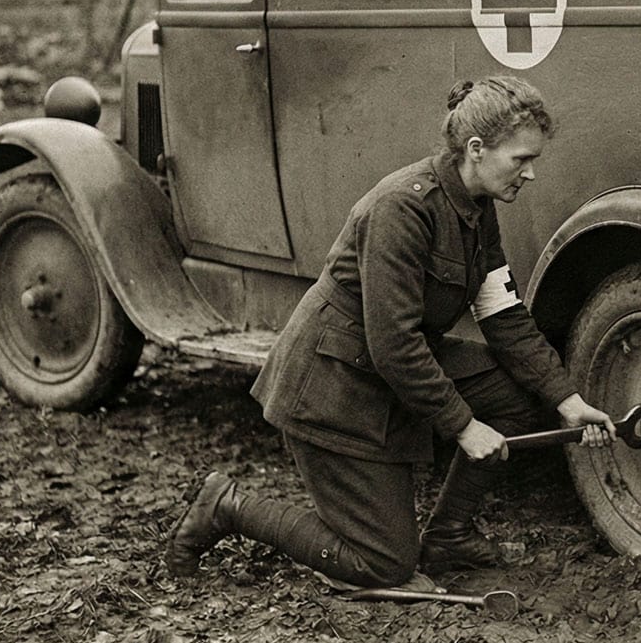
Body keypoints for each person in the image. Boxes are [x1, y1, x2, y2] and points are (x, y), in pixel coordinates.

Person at [166, 75, 616, 589]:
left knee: (518, 394)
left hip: (388, 369)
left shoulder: (476, 205)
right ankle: (226, 505)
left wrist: (566, 399)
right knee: (383, 565)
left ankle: (449, 535)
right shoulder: (402, 208)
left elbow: (502, 314)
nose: (530, 173)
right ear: (476, 149)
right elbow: (394, 343)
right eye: (521, 159)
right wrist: (464, 427)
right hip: (334, 386)